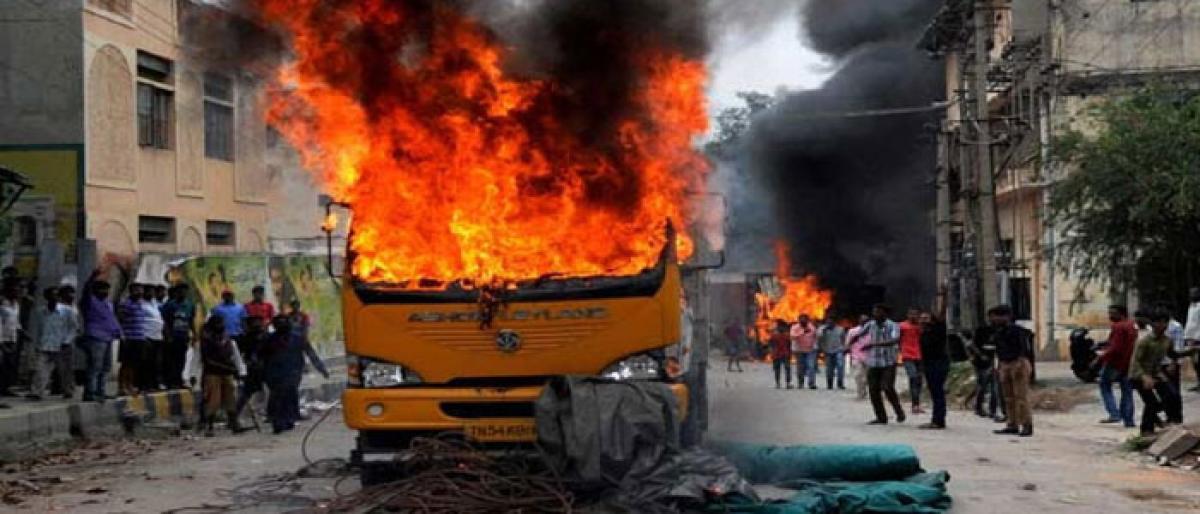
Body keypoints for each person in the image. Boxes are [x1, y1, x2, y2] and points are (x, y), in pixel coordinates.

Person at [262, 315, 328, 434]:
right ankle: (277, 421)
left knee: (290, 394)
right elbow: (261, 356)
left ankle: (289, 419)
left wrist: (321, 368)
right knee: (277, 396)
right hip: (275, 373)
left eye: (284, 323)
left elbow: (310, 353)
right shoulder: (269, 339)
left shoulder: (298, 338)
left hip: (293, 371)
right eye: (279, 323)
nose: (281, 325)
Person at [1129, 308, 1182, 437]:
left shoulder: (1167, 340)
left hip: (1155, 373)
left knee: (1172, 395)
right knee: (1151, 402)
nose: (1162, 326)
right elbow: (1136, 362)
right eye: (1159, 322)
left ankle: (1173, 421)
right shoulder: (1144, 341)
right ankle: (1146, 430)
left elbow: (1173, 354)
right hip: (1138, 375)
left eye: (1165, 323)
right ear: (1152, 324)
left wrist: (1189, 352)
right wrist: (1144, 377)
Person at [855, 304, 905, 425]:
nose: (875, 314)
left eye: (878, 312)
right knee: (873, 390)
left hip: (888, 362)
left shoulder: (893, 325)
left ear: (884, 313)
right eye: (874, 312)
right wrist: (848, 344)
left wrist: (874, 344)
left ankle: (899, 412)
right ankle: (881, 417)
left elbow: (895, 340)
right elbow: (859, 334)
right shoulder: (870, 324)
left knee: (887, 387)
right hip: (873, 362)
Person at [28, 286, 79, 401]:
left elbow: (74, 328)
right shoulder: (41, 312)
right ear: (46, 297)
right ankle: (37, 392)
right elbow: (38, 329)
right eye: (52, 295)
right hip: (45, 344)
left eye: (56, 295)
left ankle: (68, 390)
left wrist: (67, 341)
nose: (54, 298)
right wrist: (36, 344)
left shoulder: (67, 311)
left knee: (65, 371)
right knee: (40, 369)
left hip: (62, 345)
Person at [990, 305, 1034, 437]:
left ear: (1006, 316)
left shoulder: (1017, 331)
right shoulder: (998, 331)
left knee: (1020, 396)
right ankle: (1012, 423)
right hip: (1004, 364)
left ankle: (1026, 424)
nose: (994, 319)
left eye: (996, 316)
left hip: (1017, 362)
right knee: (1008, 397)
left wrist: (1019, 364)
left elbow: (1022, 349)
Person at [199, 316, 246, 436]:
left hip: (227, 373)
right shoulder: (206, 341)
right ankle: (209, 426)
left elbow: (236, 357)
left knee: (231, 398)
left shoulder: (228, 340)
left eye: (221, 323)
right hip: (212, 373)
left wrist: (241, 371)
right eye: (217, 323)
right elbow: (203, 360)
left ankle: (234, 423)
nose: (220, 326)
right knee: (213, 400)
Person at [80, 270, 121, 402]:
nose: (105, 292)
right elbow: (85, 291)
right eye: (102, 289)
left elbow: (111, 319)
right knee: (95, 366)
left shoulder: (107, 304)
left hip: (108, 337)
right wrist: (91, 278)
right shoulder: (90, 302)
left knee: (106, 367)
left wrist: (119, 332)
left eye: (106, 290)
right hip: (96, 337)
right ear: (95, 290)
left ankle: (100, 391)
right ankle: (90, 393)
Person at [1098, 305, 1137, 427]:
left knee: (1104, 385)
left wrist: (1100, 358)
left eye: (1112, 313)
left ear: (1121, 314)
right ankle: (1128, 420)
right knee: (1127, 391)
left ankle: (1114, 413)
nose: (1110, 316)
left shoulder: (1118, 326)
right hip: (1129, 362)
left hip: (1115, 363)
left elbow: (1115, 348)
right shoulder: (1132, 325)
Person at [233, 316, 269, 428]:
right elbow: (239, 354)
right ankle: (234, 416)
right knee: (246, 394)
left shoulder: (266, 337)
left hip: (265, 368)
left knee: (269, 392)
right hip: (253, 370)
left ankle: (272, 413)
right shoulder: (246, 338)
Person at [919, 311, 950, 429]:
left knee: (938, 392)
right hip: (929, 364)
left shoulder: (938, 329)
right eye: (921, 318)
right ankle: (936, 419)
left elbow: (941, 317)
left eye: (926, 318)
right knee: (934, 392)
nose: (923, 320)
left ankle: (939, 420)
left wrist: (942, 295)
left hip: (938, 364)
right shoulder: (924, 332)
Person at [160, 285, 196, 390]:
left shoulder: (189, 305)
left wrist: (194, 334)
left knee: (181, 359)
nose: (182, 293)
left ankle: (178, 379)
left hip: (183, 336)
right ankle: (170, 381)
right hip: (172, 336)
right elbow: (165, 322)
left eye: (184, 291)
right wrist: (168, 335)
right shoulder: (170, 305)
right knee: (171, 360)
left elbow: (191, 321)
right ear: (176, 292)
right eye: (180, 291)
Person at [967, 325, 1006, 421]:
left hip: (994, 362)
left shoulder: (1002, 332)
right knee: (983, 385)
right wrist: (980, 355)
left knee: (994, 387)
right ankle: (978, 407)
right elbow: (972, 345)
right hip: (981, 363)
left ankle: (992, 410)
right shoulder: (982, 330)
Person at [116, 283, 148, 396]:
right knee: (126, 364)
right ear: (131, 291)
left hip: (139, 337)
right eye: (137, 290)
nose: (139, 292)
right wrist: (122, 335)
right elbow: (119, 320)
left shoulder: (141, 303)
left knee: (134, 364)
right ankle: (121, 386)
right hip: (129, 338)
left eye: (141, 290)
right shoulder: (126, 304)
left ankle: (130, 385)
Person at [0, 278, 23, 397]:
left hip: (12, 338)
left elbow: (15, 321)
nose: (17, 293)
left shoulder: (16, 305)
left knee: (9, 365)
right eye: (14, 291)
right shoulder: (2, 304)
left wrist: (22, 331)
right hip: (2, 339)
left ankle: (5, 388)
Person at [899, 308, 924, 414]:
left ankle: (916, 404)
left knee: (919, 380)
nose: (913, 316)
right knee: (913, 377)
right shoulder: (902, 326)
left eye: (915, 314)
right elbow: (897, 338)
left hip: (919, 356)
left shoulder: (920, 327)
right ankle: (915, 404)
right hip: (907, 356)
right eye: (911, 314)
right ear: (907, 315)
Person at [140, 287, 165, 391]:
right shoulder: (141, 304)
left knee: (157, 362)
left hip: (158, 337)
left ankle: (154, 384)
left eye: (152, 292)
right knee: (146, 362)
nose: (151, 293)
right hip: (147, 336)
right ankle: (144, 384)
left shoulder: (155, 303)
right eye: (149, 291)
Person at [846, 315, 871, 400]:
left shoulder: (873, 332)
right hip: (856, 357)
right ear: (859, 321)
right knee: (858, 375)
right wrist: (848, 351)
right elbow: (848, 343)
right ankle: (860, 393)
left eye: (866, 321)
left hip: (870, 357)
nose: (864, 322)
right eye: (862, 320)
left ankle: (864, 390)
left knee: (867, 378)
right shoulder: (853, 331)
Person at [790, 315, 818, 389]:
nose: (803, 322)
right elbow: (792, 337)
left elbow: (815, 337)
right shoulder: (794, 327)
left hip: (810, 350)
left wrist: (815, 346)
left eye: (805, 320)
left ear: (808, 320)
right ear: (799, 320)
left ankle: (811, 384)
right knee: (800, 368)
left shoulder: (812, 327)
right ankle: (800, 383)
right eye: (801, 320)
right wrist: (803, 332)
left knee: (811, 366)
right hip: (799, 350)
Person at [817, 318, 846, 390]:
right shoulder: (822, 329)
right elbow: (818, 339)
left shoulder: (840, 329)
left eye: (831, 322)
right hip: (828, 351)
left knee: (840, 366)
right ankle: (829, 384)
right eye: (828, 322)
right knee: (829, 369)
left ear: (834, 323)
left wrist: (844, 348)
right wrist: (823, 332)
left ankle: (840, 383)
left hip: (838, 350)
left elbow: (843, 339)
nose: (829, 324)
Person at [1184, 287, 1200, 392]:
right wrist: (1186, 337)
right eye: (1190, 293)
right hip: (1191, 339)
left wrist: (1196, 338)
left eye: (1194, 293)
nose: (1191, 295)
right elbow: (1190, 324)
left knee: (1199, 361)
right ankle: (1198, 382)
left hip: (1198, 338)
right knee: (1194, 362)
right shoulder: (1191, 307)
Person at [769, 320, 792, 389]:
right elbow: (771, 345)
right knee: (778, 369)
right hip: (778, 354)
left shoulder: (787, 336)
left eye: (782, 327)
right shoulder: (774, 335)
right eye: (780, 327)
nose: (781, 328)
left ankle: (787, 383)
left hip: (784, 354)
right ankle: (778, 383)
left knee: (786, 368)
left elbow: (789, 345)